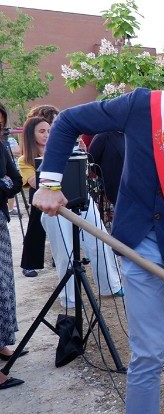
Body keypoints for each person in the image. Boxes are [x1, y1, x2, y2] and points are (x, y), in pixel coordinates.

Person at [33, 51, 164, 412]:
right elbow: (70, 120)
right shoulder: (143, 106)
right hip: (140, 241)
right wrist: (50, 182)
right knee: (149, 350)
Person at [0, 119, 24, 390]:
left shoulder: (1, 147)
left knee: (4, 285)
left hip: (0, 223)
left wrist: (2, 182)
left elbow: (15, 181)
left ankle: (2, 343)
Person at [17, 117, 51, 277]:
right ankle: (30, 263)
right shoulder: (24, 160)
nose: (46, 135)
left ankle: (61, 259)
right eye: (42, 131)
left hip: (60, 193)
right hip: (39, 195)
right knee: (36, 229)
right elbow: (32, 181)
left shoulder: (57, 151)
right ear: (32, 134)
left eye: (49, 131)